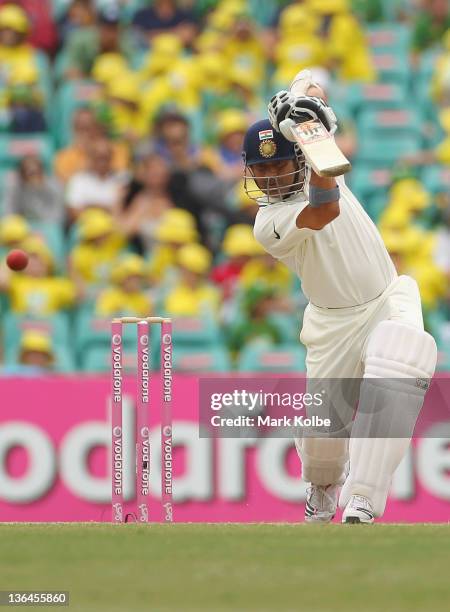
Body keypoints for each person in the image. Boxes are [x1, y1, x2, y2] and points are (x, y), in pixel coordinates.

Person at [244, 69, 437, 524]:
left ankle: (366, 498)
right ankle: (323, 489)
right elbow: (324, 208)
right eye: (261, 169)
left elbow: (310, 82)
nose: (271, 178)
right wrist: (315, 139)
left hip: (386, 297)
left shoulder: (315, 155)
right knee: (321, 442)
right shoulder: (268, 223)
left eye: (278, 165)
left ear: (294, 158)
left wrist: (302, 105)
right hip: (331, 324)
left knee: (400, 355)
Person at [54, 107, 130, 183]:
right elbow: (68, 183)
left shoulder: (117, 150)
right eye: (79, 127)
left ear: (99, 128)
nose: (83, 133)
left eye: (88, 127)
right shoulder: (63, 157)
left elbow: (121, 177)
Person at [65, 137, 128, 220]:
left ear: (112, 158)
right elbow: (73, 212)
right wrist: (105, 209)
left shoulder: (122, 178)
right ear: (90, 158)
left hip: (114, 226)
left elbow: (123, 210)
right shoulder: (78, 180)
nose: (102, 162)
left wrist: (90, 206)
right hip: (86, 226)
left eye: (105, 157)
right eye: (98, 157)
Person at [4, 155, 64, 222]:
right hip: (23, 226)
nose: (33, 176)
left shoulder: (54, 186)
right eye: (27, 171)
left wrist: (40, 188)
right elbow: (8, 212)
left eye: (35, 171)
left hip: (48, 224)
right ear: (21, 174)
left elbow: (58, 214)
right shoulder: (16, 188)